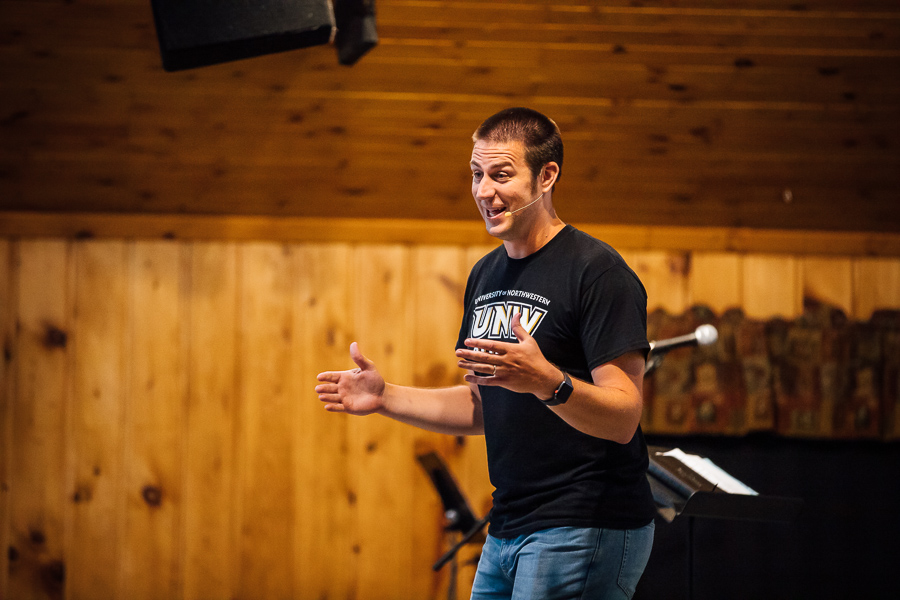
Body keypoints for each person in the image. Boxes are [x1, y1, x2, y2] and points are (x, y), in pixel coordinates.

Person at [315, 107, 656, 599]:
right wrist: (385, 396)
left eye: (501, 174)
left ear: (546, 176)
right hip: (508, 524)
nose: (483, 191)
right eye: (477, 174)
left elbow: (623, 417)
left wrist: (546, 382)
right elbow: (483, 406)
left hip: (585, 522)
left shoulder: (597, 272)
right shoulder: (485, 275)